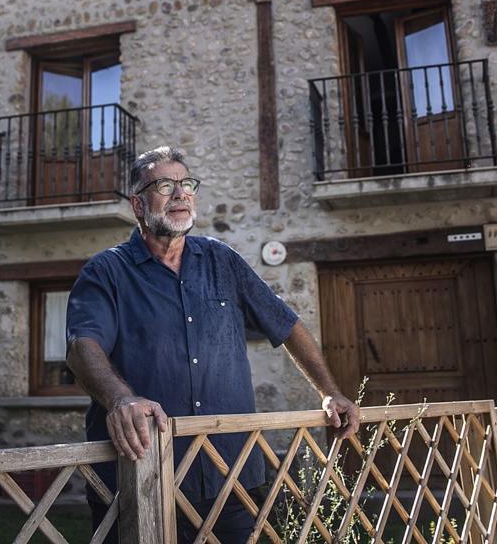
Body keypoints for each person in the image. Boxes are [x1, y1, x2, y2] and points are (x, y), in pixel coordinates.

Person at [66, 146, 361, 543]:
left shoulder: (222, 260)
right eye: (165, 185)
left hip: (231, 476)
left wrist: (329, 392)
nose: (180, 194)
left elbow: (286, 324)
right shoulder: (106, 271)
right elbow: (82, 346)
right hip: (141, 477)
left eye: (187, 184)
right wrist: (121, 398)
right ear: (138, 203)